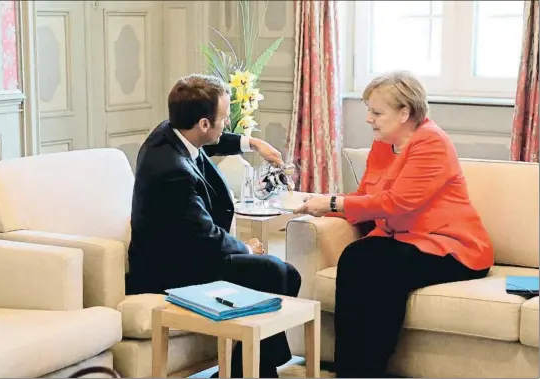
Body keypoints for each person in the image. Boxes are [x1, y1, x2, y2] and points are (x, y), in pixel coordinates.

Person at [294, 71, 494, 378]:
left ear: (405, 112)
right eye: (368, 110)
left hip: (452, 247)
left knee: (372, 262)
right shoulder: (384, 144)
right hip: (404, 241)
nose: (368, 119)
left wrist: (333, 203)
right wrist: (317, 205)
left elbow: (398, 202)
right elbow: (365, 197)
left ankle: (363, 370)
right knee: (361, 258)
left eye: (376, 112)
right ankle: (349, 369)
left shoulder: (431, 142)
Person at [126, 73, 301, 378]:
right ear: (204, 124)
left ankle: (250, 369)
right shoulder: (172, 171)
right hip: (168, 270)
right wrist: (247, 247)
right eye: (222, 118)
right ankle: (252, 369)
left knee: (283, 273)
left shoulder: (171, 132)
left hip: (186, 252)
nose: (225, 124)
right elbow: (205, 236)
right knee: (275, 272)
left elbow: (212, 144)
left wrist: (252, 142)